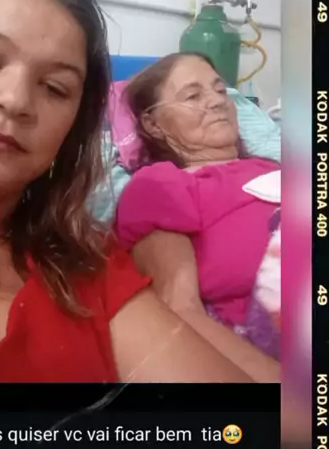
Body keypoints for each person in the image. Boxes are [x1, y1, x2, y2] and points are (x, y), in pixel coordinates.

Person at [0, 0, 270, 390]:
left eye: (55, 88)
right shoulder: (161, 187)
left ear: (73, 124)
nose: (15, 100)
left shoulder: (84, 262)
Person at [115, 52, 281, 376]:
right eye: (193, 96)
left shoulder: (278, 169)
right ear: (153, 124)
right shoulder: (162, 184)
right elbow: (179, 312)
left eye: (220, 90)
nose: (218, 101)